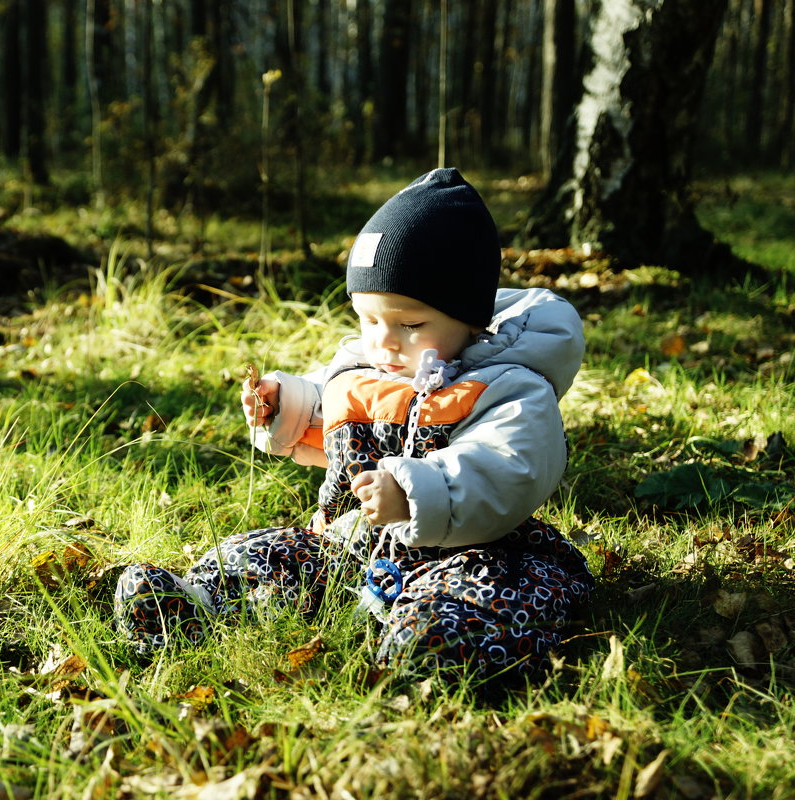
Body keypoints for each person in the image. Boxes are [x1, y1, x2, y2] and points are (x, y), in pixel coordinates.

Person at [114, 168, 593, 680]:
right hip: (353, 541)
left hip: (474, 548)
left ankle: (438, 644)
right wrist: (284, 407)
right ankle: (195, 604)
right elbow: (332, 417)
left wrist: (416, 494)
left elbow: (507, 468)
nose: (383, 342)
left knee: (489, 595)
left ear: (469, 318)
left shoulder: (510, 389)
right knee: (271, 552)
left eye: (410, 325)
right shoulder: (365, 370)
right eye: (368, 320)